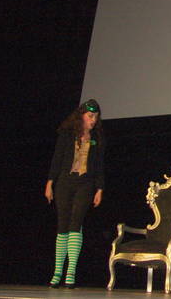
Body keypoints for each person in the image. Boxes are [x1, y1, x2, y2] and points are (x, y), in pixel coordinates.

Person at [44, 99, 106, 288]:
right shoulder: (67, 134)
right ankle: (57, 272)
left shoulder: (97, 138)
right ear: (82, 116)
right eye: (90, 116)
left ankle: (70, 272)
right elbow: (57, 158)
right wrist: (50, 182)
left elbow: (99, 165)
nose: (93, 120)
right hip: (65, 182)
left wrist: (99, 188)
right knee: (63, 224)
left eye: (95, 117)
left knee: (76, 224)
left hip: (85, 183)